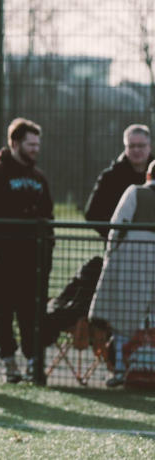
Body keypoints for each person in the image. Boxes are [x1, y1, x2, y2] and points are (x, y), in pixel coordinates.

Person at [0, 117, 54, 383]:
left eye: (38, 144)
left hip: (33, 259)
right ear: (15, 143)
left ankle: (33, 361)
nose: (35, 149)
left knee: (31, 311)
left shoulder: (39, 177)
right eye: (30, 144)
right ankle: (9, 363)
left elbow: (48, 215)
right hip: (3, 256)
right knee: (3, 310)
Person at [89, 159, 155, 387]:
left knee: (124, 316)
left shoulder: (135, 192)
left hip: (133, 257)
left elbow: (117, 225)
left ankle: (119, 370)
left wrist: (110, 255)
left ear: (148, 176)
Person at [85, 124, 154, 238]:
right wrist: (116, 235)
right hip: (121, 247)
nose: (136, 150)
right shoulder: (110, 177)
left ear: (149, 146)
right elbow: (92, 214)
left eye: (141, 145)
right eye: (131, 146)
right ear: (125, 147)